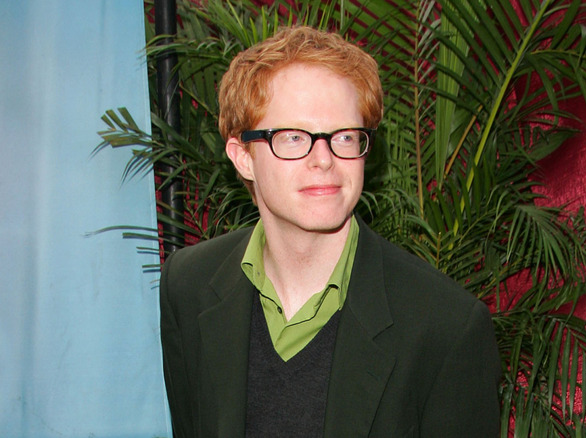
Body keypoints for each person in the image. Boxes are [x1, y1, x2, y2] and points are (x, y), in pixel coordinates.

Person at [159, 26, 501, 437]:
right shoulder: (188, 284)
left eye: (343, 136)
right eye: (292, 137)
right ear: (243, 157)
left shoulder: (446, 326)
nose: (323, 159)